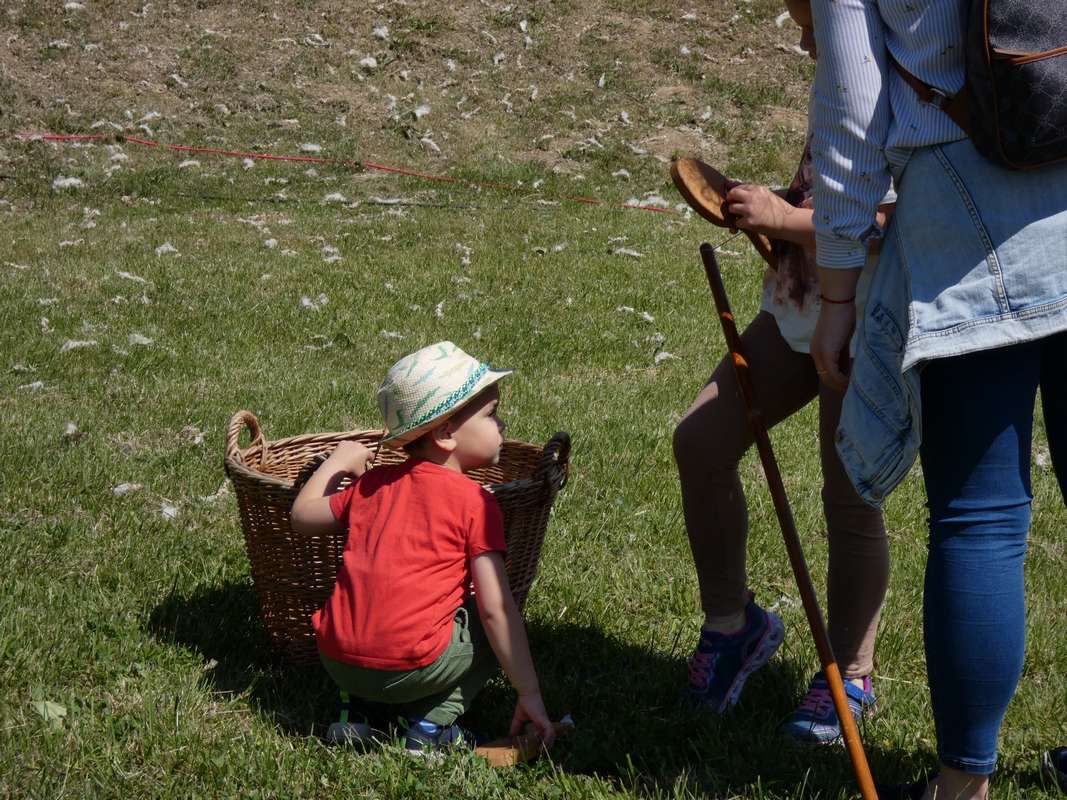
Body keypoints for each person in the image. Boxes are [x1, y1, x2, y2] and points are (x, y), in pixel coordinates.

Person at [805, 1, 1067, 797]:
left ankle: (961, 788)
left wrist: (838, 288)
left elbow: (852, 105)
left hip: (961, 210)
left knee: (980, 519)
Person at [672, 0, 894, 745]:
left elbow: (883, 227)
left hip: (866, 321)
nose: (803, 39)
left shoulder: (899, 89)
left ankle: (848, 674)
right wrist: (772, 210)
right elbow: (831, 198)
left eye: (810, 23)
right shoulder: (837, 84)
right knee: (700, 442)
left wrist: (781, 218)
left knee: (848, 498)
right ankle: (732, 626)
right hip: (799, 308)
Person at [290, 341, 556, 754]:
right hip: (411, 668)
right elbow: (496, 609)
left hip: (337, 660)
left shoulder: (372, 485)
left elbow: (301, 515)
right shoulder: (474, 502)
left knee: (367, 604)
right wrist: (530, 693)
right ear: (445, 433)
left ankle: (356, 716)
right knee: (488, 620)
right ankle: (427, 727)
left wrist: (339, 461)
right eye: (491, 414)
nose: (502, 425)